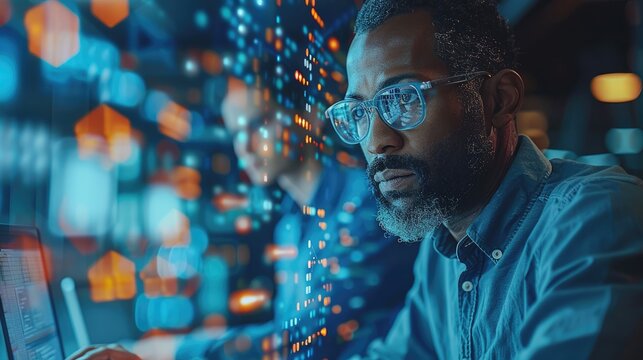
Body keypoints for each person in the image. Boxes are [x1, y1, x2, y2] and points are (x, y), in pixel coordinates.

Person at [321, 0, 643, 359]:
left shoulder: (594, 217)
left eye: (403, 99)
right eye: (359, 112)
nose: (376, 141)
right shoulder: (442, 248)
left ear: (499, 100)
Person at [67, 81, 418, 359]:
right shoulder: (291, 226)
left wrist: (164, 351)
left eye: (258, 124)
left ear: (307, 117)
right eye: (235, 133)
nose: (245, 147)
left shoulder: (364, 206)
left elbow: (302, 343)